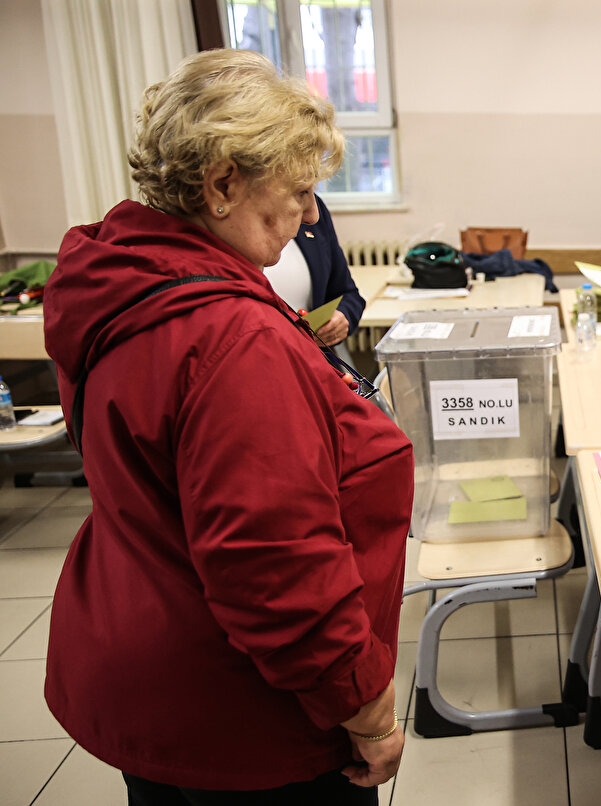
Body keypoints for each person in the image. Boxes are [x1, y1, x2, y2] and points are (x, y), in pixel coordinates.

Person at [41, 49, 413, 804]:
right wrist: (365, 706)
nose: (313, 216)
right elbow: (275, 564)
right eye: (300, 192)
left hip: (149, 657)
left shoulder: (125, 282)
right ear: (220, 185)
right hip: (241, 704)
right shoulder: (233, 339)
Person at [264, 193, 364, 346]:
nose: (313, 215)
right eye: (301, 190)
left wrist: (342, 316)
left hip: (313, 355)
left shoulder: (313, 207)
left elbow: (348, 294)